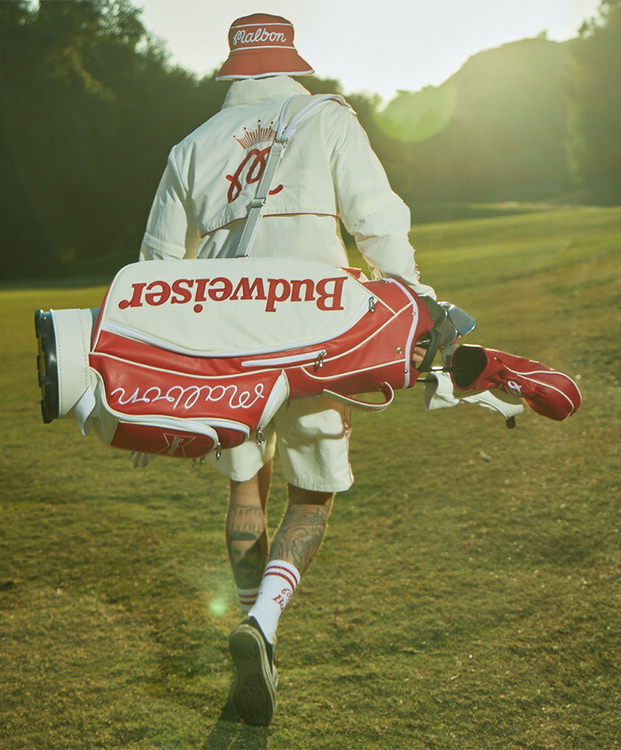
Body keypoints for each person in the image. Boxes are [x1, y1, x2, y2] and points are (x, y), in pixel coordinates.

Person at [138, 13, 436, 726]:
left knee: (246, 487)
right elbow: (376, 220)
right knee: (312, 495)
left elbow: (155, 270)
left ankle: (250, 625)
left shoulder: (190, 146)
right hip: (317, 333)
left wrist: (156, 382)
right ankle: (264, 624)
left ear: (233, 68)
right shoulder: (327, 119)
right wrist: (413, 299)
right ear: (289, 62)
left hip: (225, 345)